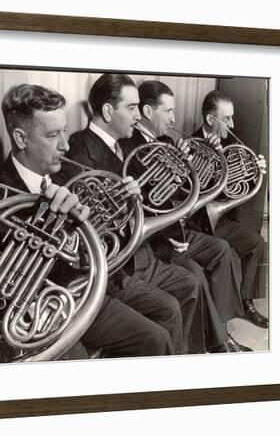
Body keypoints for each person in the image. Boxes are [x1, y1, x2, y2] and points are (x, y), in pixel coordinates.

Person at [0, 64, 171, 365]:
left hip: (65, 298)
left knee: (157, 333)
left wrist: (84, 223)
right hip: (12, 334)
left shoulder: (56, 179)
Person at [0, 82, 176, 357]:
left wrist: (123, 206)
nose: (65, 145)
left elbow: (92, 247)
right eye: (53, 135)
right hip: (40, 311)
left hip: (83, 292)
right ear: (21, 139)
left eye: (64, 132)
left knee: (155, 338)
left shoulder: (62, 174)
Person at [54, 73, 208, 354]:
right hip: (114, 268)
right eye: (131, 108)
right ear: (108, 111)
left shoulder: (124, 146)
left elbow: (151, 200)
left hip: (141, 252)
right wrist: (123, 201)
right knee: (171, 306)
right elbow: (84, 225)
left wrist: (175, 175)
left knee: (190, 284)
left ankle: (186, 359)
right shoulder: (78, 150)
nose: (138, 116)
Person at [126, 80, 251, 352]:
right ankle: (214, 344)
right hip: (161, 238)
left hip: (180, 230)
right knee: (194, 275)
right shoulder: (130, 147)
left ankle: (222, 327)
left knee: (222, 249)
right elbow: (149, 203)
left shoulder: (169, 141)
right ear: (148, 112)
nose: (174, 118)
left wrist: (199, 163)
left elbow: (185, 192)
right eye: (168, 111)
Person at [192, 90, 268, 329]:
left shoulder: (232, 145)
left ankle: (246, 303)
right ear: (210, 119)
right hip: (197, 223)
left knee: (257, 243)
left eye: (232, 118)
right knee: (226, 252)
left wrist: (256, 171)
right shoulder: (190, 145)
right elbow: (188, 193)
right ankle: (220, 327)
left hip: (219, 220)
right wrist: (205, 157)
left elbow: (237, 189)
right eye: (227, 118)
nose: (232, 124)